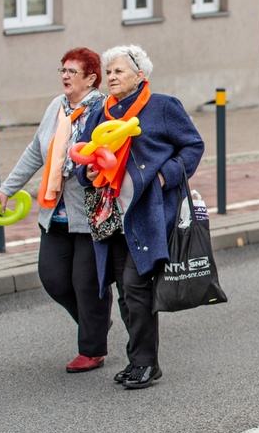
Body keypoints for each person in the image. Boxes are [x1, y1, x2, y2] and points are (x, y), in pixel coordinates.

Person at [76, 44, 204, 388]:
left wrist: (166, 177)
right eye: (109, 72)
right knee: (123, 289)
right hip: (110, 214)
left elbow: (192, 145)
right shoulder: (100, 112)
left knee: (136, 285)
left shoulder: (163, 107)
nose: (111, 77)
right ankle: (137, 360)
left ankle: (147, 363)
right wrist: (85, 175)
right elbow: (83, 158)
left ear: (140, 75)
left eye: (119, 71)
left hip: (147, 212)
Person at [0, 48, 113, 373]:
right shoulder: (56, 108)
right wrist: (6, 190)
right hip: (54, 212)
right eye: (62, 70)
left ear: (91, 78)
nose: (65, 76)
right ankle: (96, 323)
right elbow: (35, 150)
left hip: (87, 215)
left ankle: (92, 346)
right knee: (54, 278)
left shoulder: (102, 110)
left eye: (73, 71)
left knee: (86, 283)